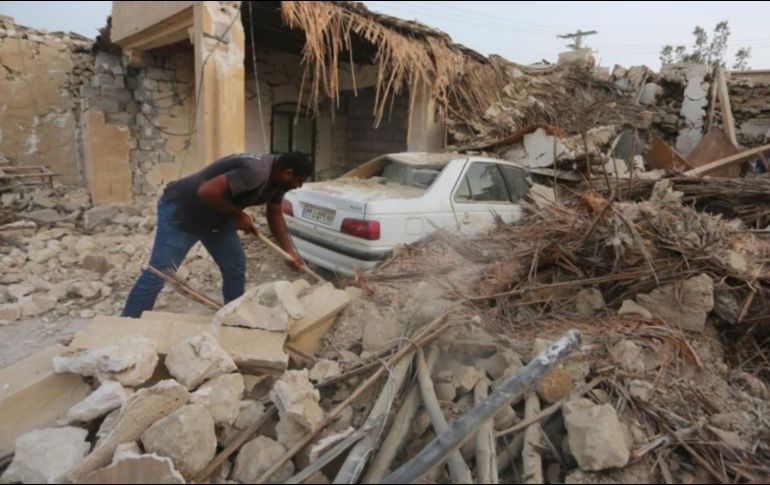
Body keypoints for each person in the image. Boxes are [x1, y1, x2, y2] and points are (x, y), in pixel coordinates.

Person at [121, 151, 312, 318]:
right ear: (288, 173)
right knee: (161, 272)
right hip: (183, 211)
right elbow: (207, 191)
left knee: (235, 267)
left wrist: (289, 252)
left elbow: (275, 212)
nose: (299, 186)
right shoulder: (256, 171)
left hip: (217, 217)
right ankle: (128, 323)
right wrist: (238, 215)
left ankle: (233, 318)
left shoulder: (279, 182)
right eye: (299, 181)